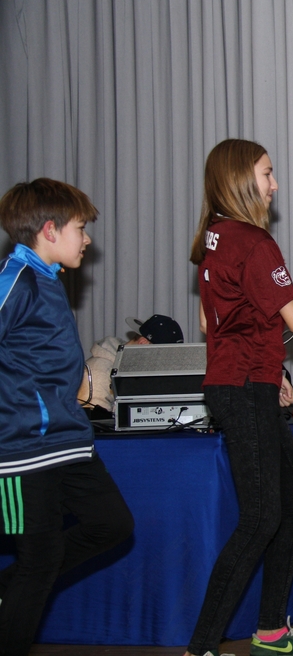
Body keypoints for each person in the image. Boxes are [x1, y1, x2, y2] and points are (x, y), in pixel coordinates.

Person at [185, 139, 293, 656]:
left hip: (245, 383)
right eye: (267, 174)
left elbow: (211, 322)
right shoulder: (254, 242)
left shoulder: (214, 238)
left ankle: (271, 631)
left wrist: (271, 370)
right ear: (240, 178)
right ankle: (201, 646)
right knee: (261, 518)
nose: (274, 185)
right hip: (244, 387)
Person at [0, 179, 134, 656]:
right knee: (40, 560)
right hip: (24, 450)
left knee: (113, 524)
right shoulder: (16, 278)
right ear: (50, 230)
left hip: (69, 442)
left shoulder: (48, 280)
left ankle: (9, 589)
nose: (88, 239)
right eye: (81, 228)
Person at [77, 314, 186, 415]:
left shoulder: (131, 370)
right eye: (161, 356)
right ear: (143, 343)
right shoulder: (98, 372)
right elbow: (95, 422)